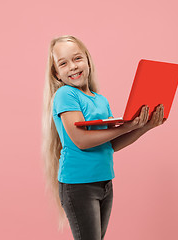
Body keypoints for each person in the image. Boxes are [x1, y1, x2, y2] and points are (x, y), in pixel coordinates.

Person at [41, 35, 166, 240]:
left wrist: (145, 126)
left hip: (104, 182)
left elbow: (112, 144)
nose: (72, 66)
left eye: (77, 58)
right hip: (79, 185)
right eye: (63, 63)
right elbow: (80, 140)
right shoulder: (65, 95)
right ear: (57, 74)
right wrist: (127, 125)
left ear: (88, 61)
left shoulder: (100, 100)